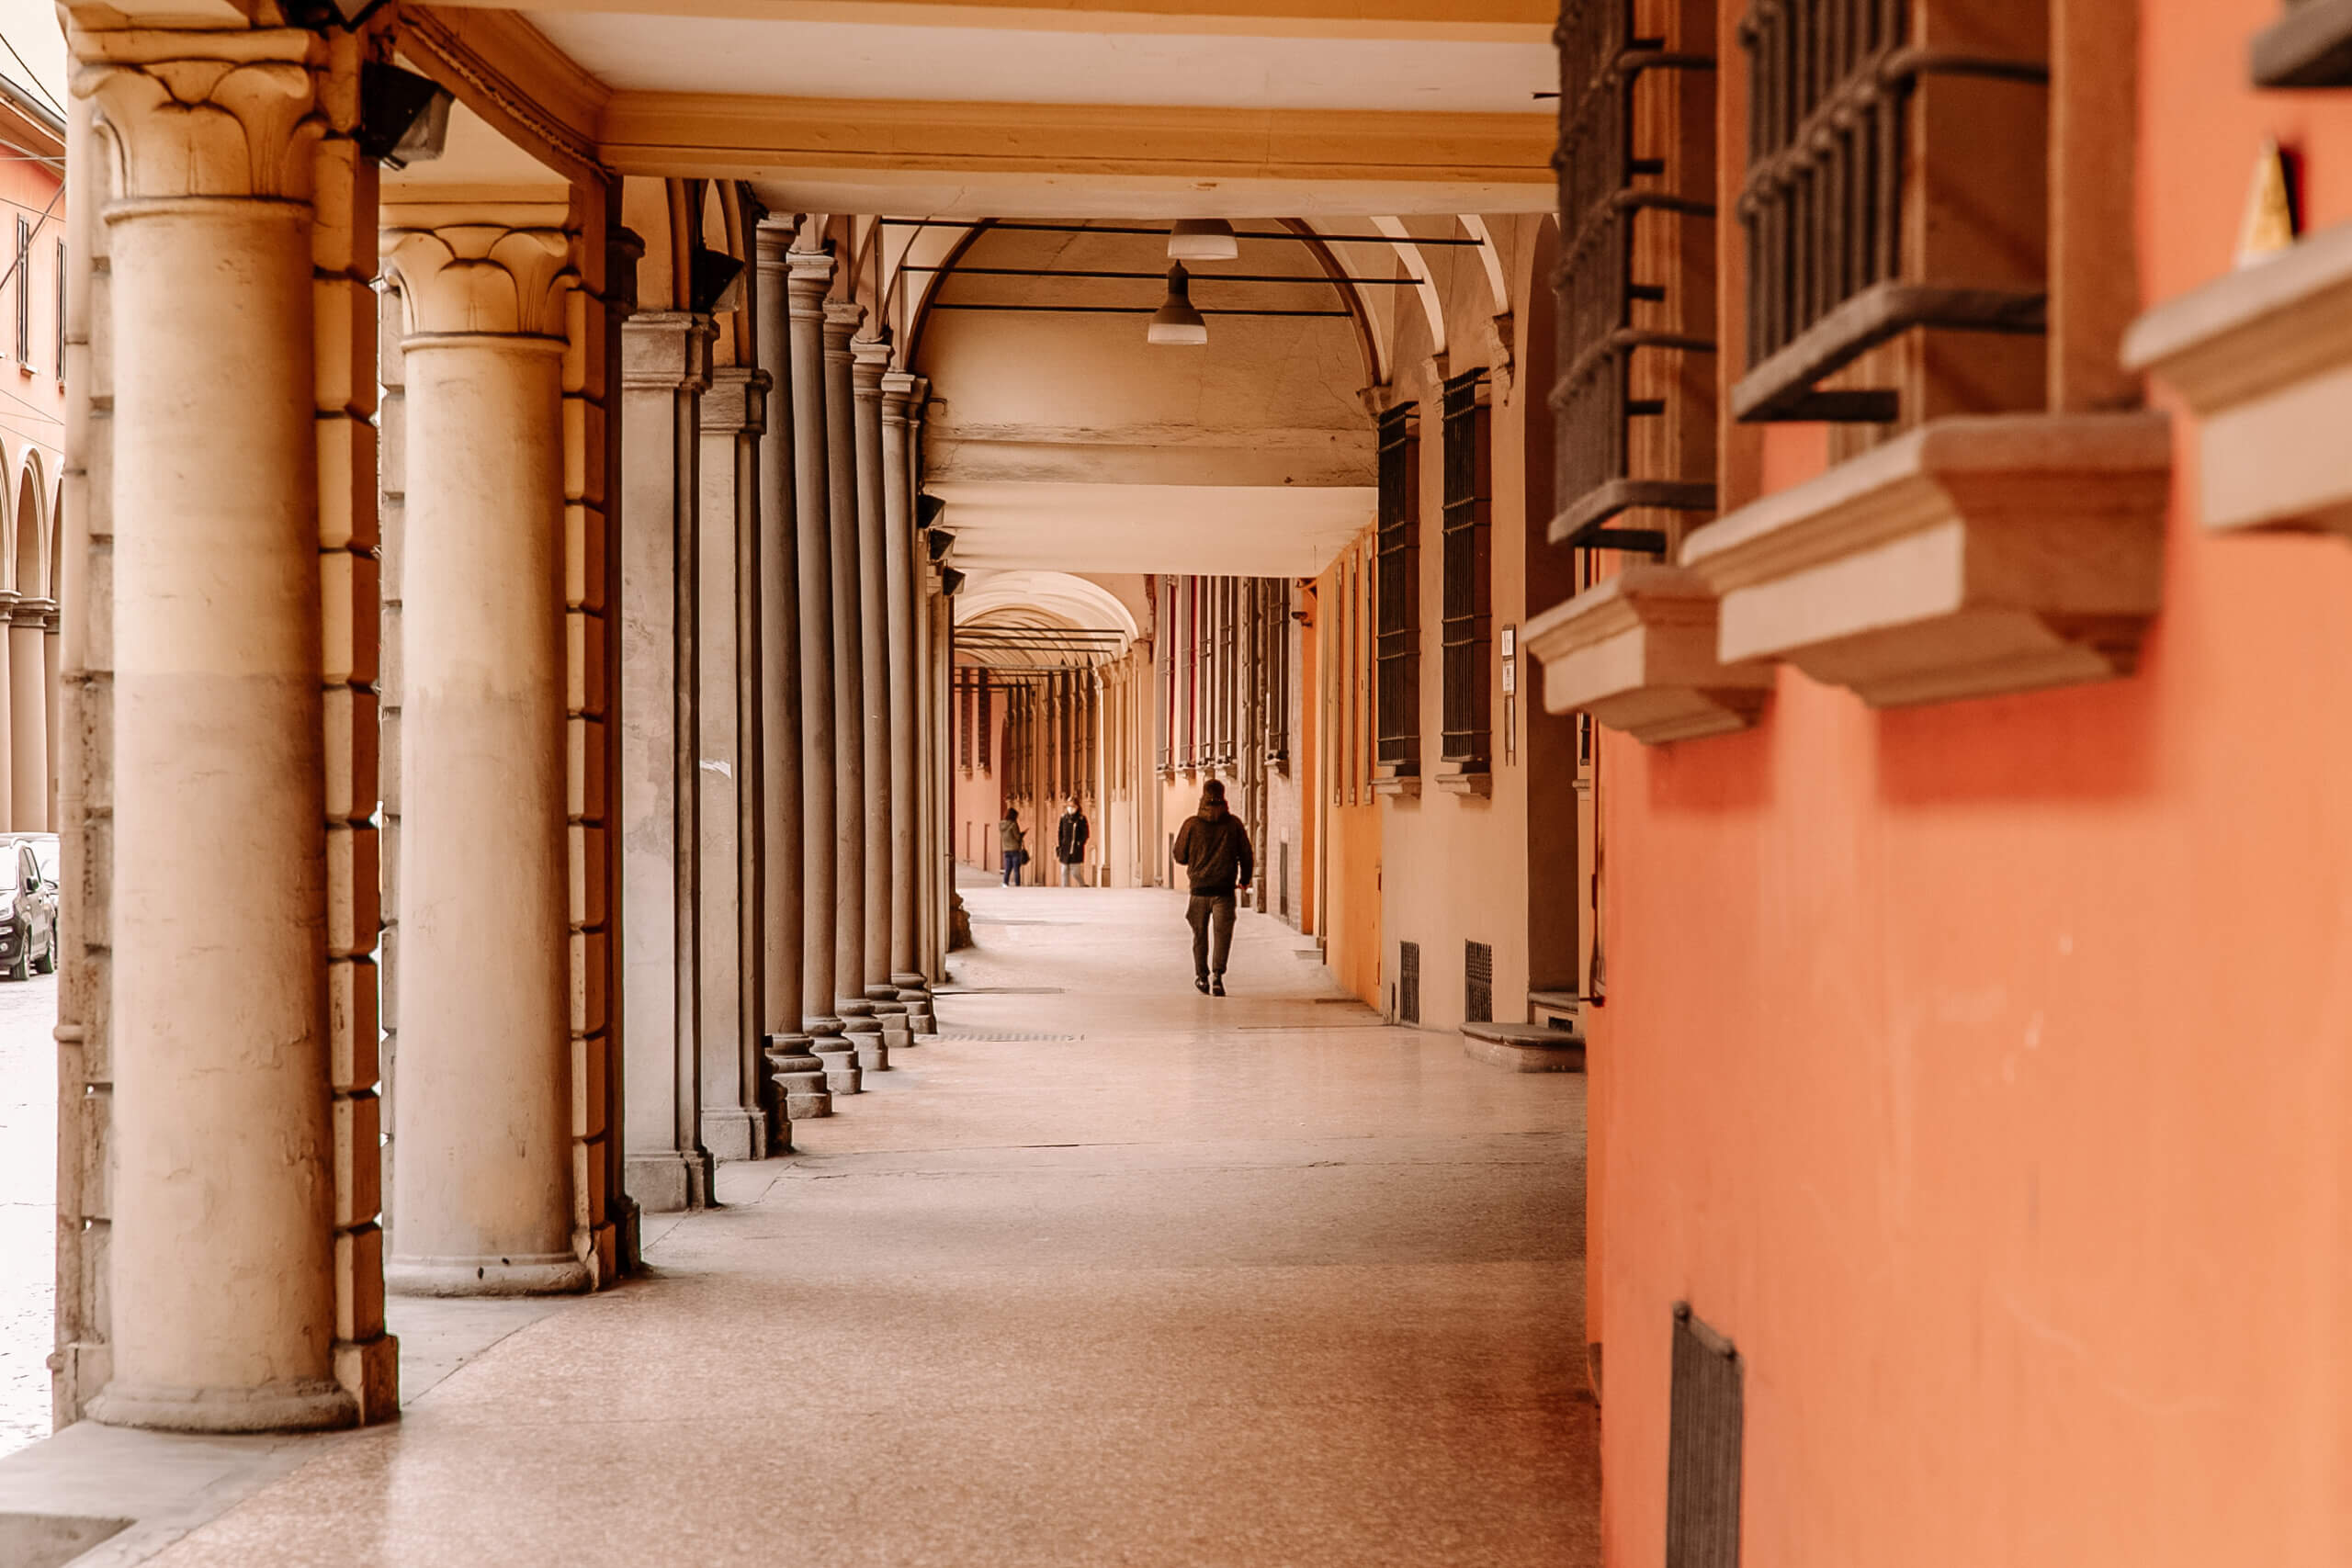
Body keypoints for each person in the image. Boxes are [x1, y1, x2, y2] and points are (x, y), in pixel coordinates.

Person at [1170, 779, 1252, 996]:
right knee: (1222, 935)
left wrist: (1196, 859)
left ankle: (1201, 977)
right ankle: (1217, 977)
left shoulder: (1191, 825)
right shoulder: (1234, 825)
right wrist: (1245, 879)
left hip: (1198, 890)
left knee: (1199, 936)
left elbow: (1179, 855)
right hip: (1224, 891)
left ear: (1203, 798)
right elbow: (1246, 854)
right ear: (1223, 798)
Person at [1055, 797, 1091, 887]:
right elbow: (1060, 832)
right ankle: (1065, 889)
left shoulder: (1081, 819)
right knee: (1064, 870)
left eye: (1073, 806)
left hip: (1076, 848)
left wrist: (1080, 843)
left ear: (1077, 807)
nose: (1071, 808)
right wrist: (1060, 844)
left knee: (1075, 872)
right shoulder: (1064, 818)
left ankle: (1082, 884)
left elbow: (1085, 833)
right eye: (1069, 806)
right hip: (1065, 848)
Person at [999, 808, 1026, 886]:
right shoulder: (1013, 824)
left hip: (1006, 849)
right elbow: (1017, 837)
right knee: (1016, 869)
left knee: (1008, 868)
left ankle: (1005, 883)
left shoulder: (1001, 824)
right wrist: (1023, 834)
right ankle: (1017, 884)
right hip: (1014, 849)